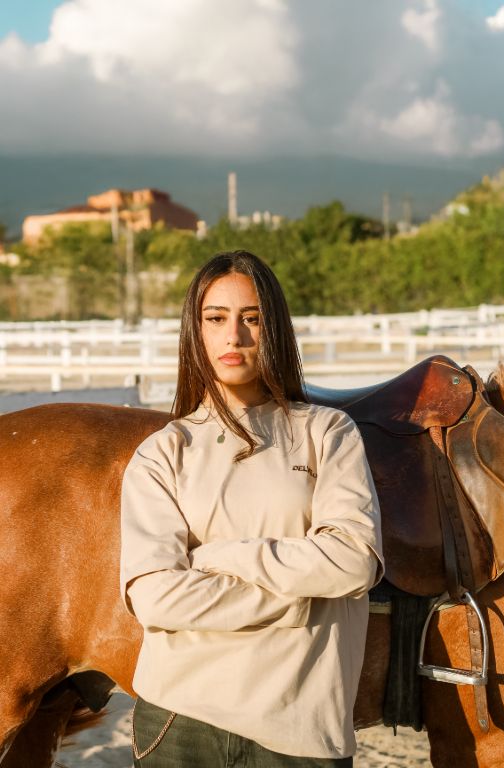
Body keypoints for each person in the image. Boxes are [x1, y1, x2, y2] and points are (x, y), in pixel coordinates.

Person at [120, 250, 384, 767]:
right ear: (196, 332)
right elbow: (153, 597)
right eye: (215, 319)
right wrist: (298, 600)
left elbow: (354, 562)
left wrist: (222, 557)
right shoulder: (163, 452)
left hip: (301, 729)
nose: (233, 337)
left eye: (252, 319)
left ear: (275, 329)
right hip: (179, 720)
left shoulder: (327, 434)